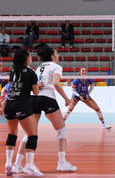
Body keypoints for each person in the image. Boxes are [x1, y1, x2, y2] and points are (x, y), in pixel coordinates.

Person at [12, 45, 77, 173]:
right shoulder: (56, 66)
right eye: (57, 54)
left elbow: (34, 85)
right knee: (62, 130)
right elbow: (57, 83)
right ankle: (62, 163)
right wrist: (67, 99)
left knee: (30, 133)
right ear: (52, 55)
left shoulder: (39, 68)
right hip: (47, 98)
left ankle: (17, 164)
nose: (58, 56)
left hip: (33, 99)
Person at [2, 49, 42, 176]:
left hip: (9, 104)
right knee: (32, 135)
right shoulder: (31, 72)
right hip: (21, 104)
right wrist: (38, 85)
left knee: (12, 134)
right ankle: (29, 165)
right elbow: (36, 92)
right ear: (26, 58)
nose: (31, 58)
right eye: (30, 56)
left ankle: (8, 163)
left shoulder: (13, 70)